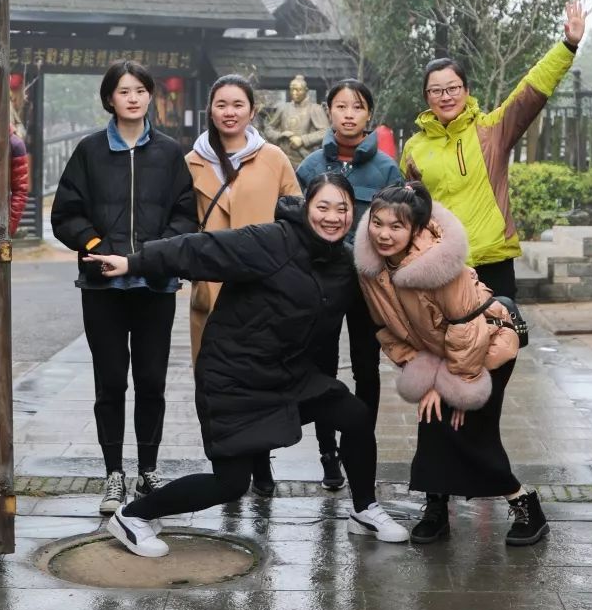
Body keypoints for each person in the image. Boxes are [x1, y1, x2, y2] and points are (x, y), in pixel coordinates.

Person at [88, 174, 410, 558]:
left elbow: (382, 313)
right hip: (233, 376)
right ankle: (134, 516)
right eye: (322, 206)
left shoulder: (344, 263)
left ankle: (364, 509)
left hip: (288, 375)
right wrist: (134, 262)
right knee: (231, 483)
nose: (332, 217)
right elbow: (200, 250)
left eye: (342, 209)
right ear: (307, 207)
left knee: (354, 415)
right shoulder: (270, 241)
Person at [355, 179, 546, 546]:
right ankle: (436, 507)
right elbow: (387, 330)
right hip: (441, 353)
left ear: (415, 229)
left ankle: (525, 505)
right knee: (433, 423)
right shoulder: (372, 269)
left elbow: (468, 330)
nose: (384, 234)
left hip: (487, 346)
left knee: (471, 432)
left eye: (396, 226)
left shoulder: (439, 264)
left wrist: (457, 387)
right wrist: (428, 379)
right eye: (377, 223)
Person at [51, 60, 195, 517]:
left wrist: (150, 256)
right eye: (123, 91)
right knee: (110, 381)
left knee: (151, 381)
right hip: (102, 289)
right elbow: (65, 214)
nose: (133, 98)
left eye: (140, 90)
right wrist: (96, 247)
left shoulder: (169, 153)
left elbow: (185, 216)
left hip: (155, 285)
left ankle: (147, 470)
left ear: (151, 96)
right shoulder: (90, 151)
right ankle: (113, 473)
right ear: (109, 99)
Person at [400, 0, 586, 298]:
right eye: (436, 90)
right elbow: (409, 207)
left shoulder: (491, 132)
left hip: (492, 260)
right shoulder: (414, 148)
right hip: (439, 262)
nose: (446, 96)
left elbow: (529, 93)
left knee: (500, 329)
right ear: (427, 96)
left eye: (453, 88)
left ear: (466, 90)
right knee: (447, 330)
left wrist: (568, 45)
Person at [186, 74, 300, 496]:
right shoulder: (192, 161)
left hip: (262, 287)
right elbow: (180, 222)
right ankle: (225, 463)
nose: (229, 112)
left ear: (252, 111)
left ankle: (261, 460)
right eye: (222, 104)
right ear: (210, 110)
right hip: (212, 286)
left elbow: (296, 215)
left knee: (259, 375)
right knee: (212, 377)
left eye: (238, 105)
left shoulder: (273, 158)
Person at [296, 78, 400, 490]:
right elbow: (297, 224)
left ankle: (360, 443)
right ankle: (328, 453)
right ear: (329, 112)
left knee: (366, 368)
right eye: (341, 106)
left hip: (367, 285)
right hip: (320, 282)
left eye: (357, 107)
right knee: (321, 367)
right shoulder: (310, 168)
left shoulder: (386, 169)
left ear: (369, 114)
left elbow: (397, 226)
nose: (349, 114)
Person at [261, 74, 329, 168]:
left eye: (298, 90)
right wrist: (280, 135)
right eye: (292, 89)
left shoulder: (314, 109)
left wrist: (303, 140)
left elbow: (325, 132)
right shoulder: (283, 108)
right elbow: (268, 128)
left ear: (306, 91)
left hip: (305, 161)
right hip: (283, 160)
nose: (294, 93)